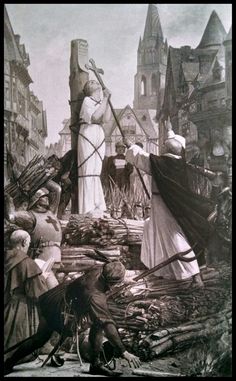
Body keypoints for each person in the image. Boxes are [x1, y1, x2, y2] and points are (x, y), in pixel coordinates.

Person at [4, 261, 141, 376]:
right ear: (112, 283)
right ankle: (8, 363)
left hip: (62, 295)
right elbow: (108, 324)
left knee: (96, 324)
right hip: (62, 309)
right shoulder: (95, 296)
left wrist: (123, 281)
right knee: (41, 338)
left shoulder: (101, 268)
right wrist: (123, 351)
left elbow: (108, 277)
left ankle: (95, 365)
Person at [124, 123, 215, 286]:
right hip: (169, 203)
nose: (164, 146)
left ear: (173, 149)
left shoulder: (163, 163)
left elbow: (142, 158)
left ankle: (194, 274)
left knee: (173, 237)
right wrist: (169, 132)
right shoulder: (177, 163)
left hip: (164, 205)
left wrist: (131, 146)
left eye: (167, 144)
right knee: (156, 231)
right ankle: (168, 272)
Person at [5, 179, 62, 289]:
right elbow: (57, 189)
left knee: (43, 287)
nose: (46, 198)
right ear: (36, 200)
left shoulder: (34, 215)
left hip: (43, 256)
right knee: (48, 285)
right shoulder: (44, 213)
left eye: (46, 196)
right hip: (55, 255)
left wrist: (8, 199)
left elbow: (11, 216)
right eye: (43, 197)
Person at [4, 230, 49, 363]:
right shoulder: (27, 263)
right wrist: (42, 278)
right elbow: (37, 291)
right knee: (17, 344)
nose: (28, 246)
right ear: (24, 242)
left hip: (6, 305)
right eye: (28, 243)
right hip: (19, 308)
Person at [77, 80, 112, 217]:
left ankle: (98, 204)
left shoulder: (100, 103)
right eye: (98, 91)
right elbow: (95, 117)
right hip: (88, 133)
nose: (100, 93)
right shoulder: (87, 101)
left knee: (96, 170)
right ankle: (87, 206)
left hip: (98, 134)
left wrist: (107, 101)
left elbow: (106, 118)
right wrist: (105, 99)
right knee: (88, 170)